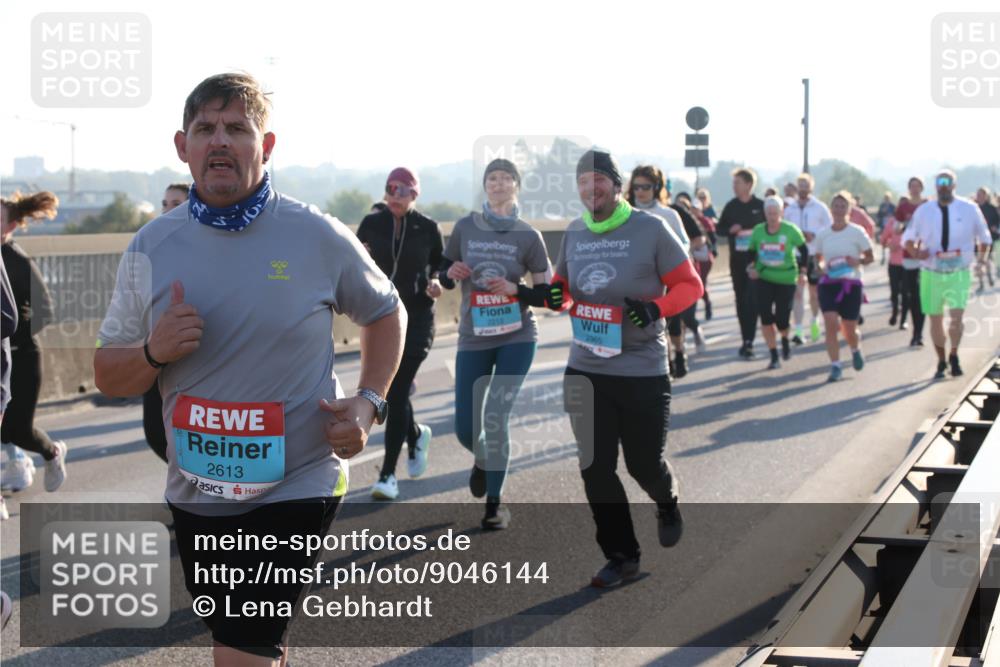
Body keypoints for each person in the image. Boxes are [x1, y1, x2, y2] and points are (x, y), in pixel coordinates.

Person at [93, 72, 405, 667]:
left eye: (238, 128)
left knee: (240, 651)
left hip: (299, 479)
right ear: (182, 146)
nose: (220, 140)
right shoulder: (150, 246)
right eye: (205, 128)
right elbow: (109, 375)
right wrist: (154, 353)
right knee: (240, 640)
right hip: (198, 488)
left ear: (266, 146)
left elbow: (387, 312)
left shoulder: (314, 234)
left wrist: (368, 401)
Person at [550, 148, 702, 587]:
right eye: (582, 181)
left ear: (616, 185)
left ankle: (667, 498)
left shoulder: (650, 229)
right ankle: (621, 556)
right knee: (595, 466)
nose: (590, 188)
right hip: (586, 366)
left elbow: (689, 285)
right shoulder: (576, 232)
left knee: (642, 465)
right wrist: (558, 296)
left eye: (599, 179)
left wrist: (655, 308)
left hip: (641, 369)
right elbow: (563, 286)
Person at [441, 158, 551, 530]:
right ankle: (484, 459)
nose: (499, 184)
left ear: (516, 186)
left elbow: (549, 294)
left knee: (496, 416)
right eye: (493, 178)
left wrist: (515, 290)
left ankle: (494, 504)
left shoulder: (528, 235)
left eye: (506, 178)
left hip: (517, 336)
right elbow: (443, 273)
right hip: (474, 335)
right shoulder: (465, 228)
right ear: (485, 185)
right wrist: (449, 274)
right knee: (465, 428)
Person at [357, 167, 443, 500]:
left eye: (403, 190)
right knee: (394, 390)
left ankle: (388, 475)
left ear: (415, 195)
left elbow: (442, 264)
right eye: (391, 189)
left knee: (395, 391)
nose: (396, 195)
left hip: (419, 319)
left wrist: (438, 281)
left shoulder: (428, 228)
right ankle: (417, 433)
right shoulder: (372, 223)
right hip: (381, 318)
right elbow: (355, 258)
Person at [0, 192, 68, 494]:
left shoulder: (17, 259)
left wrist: (17, 335)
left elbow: (46, 308)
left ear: (11, 226)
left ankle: (51, 452)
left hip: (22, 356)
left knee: (20, 430)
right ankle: (16, 465)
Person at [902, 170, 991, 379]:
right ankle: (941, 360)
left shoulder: (969, 208)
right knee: (935, 319)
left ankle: (954, 354)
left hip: (958, 272)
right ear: (935, 186)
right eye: (940, 182)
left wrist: (981, 260)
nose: (944, 186)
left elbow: (984, 237)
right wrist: (916, 252)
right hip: (931, 272)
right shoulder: (924, 211)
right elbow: (907, 238)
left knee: (956, 319)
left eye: (947, 182)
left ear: (954, 185)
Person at [625, 166, 705, 376]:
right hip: (639, 278)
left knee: (673, 323)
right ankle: (664, 362)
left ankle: (679, 351)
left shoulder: (668, 214)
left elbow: (684, 243)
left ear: (657, 187)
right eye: (636, 187)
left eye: (646, 187)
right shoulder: (624, 213)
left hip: (665, 276)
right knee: (652, 325)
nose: (640, 191)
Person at [140, 183, 192, 464]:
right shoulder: (150, 245)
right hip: (155, 352)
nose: (168, 210)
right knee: (156, 435)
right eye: (165, 204)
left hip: (193, 357)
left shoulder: (208, 247)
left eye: (176, 203)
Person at [815, 192, 875, 382]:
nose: (839, 210)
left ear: (849, 210)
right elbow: (818, 260)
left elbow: (870, 257)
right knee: (830, 324)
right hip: (829, 285)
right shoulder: (823, 234)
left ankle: (855, 349)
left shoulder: (857, 232)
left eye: (843, 206)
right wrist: (822, 267)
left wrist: (856, 261)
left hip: (851, 284)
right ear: (831, 209)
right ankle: (835, 366)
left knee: (849, 327)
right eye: (836, 206)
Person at [746, 196, 808, 369]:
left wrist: (803, 272)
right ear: (765, 214)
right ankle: (773, 354)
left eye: (775, 213)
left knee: (782, 319)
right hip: (764, 277)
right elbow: (751, 252)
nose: (772, 216)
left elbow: (804, 250)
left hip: (786, 278)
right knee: (765, 318)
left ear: (781, 213)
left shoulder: (790, 230)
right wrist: (751, 268)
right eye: (769, 213)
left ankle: (785, 338)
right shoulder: (758, 231)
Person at [718, 168, 766, 358]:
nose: (734, 186)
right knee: (740, 300)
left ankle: (749, 341)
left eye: (737, 182)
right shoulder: (731, 206)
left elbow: (772, 229)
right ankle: (746, 338)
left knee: (752, 300)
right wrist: (731, 229)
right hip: (737, 261)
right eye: (733, 183)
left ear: (748, 184)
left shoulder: (760, 206)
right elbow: (719, 229)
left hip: (757, 261)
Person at [784, 173, 832, 345]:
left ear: (811, 187)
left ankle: (814, 320)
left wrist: (815, 235)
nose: (803, 188)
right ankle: (798, 330)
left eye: (806, 185)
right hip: (795, 255)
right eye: (800, 184)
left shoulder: (820, 207)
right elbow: (784, 229)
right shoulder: (790, 209)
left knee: (814, 293)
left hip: (814, 254)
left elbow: (829, 228)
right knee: (797, 293)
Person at [896, 177, 928, 346]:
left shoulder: (928, 205)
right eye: (912, 186)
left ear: (922, 188)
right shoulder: (903, 207)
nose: (915, 189)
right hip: (909, 257)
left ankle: (919, 334)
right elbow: (896, 227)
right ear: (908, 188)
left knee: (921, 296)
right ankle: (915, 333)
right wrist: (902, 227)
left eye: (918, 186)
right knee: (911, 296)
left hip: (926, 256)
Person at [880, 212, 907, 329]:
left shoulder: (912, 221)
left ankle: (903, 320)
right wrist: (889, 245)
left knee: (906, 293)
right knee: (894, 291)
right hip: (894, 263)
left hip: (908, 264)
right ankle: (895, 312)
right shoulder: (891, 222)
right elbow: (883, 239)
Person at [975, 187, 998, 290]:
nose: (979, 196)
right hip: (976, 239)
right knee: (978, 261)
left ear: (986, 196)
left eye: (981, 194)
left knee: (987, 259)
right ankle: (981, 283)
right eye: (978, 194)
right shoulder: (974, 208)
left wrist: (995, 226)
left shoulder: (991, 208)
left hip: (989, 239)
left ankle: (989, 276)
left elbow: (997, 220)